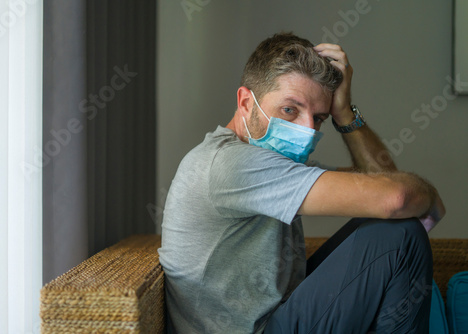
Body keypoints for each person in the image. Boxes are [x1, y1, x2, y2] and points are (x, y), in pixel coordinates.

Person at [158, 32, 445, 334]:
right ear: (245, 102)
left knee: (382, 220)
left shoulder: (270, 162)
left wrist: (344, 114)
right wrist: (427, 196)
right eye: (290, 110)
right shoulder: (232, 163)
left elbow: (378, 182)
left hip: (277, 318)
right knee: (399, 232)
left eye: (319, 117)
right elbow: (397, 198)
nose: (308, 130)